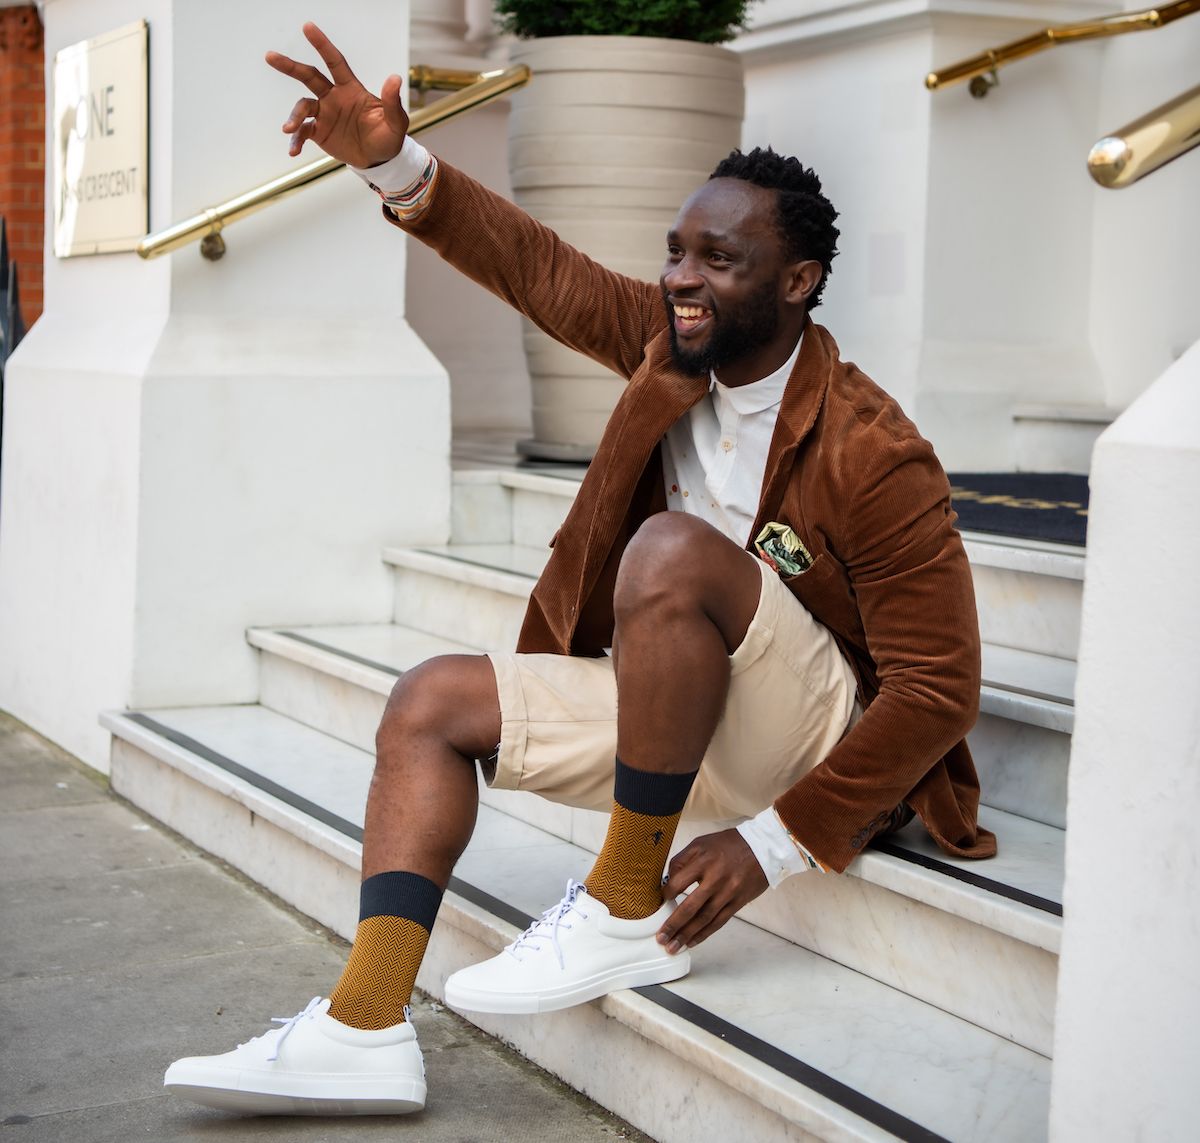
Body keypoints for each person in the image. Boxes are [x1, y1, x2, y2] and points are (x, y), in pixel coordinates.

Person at [163, 22, 996, 1117]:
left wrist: (776, 842)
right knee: (429, 705)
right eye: (676, 250)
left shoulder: (873, 449)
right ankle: (362, 1027)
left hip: (816, 738)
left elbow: (939, 689)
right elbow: (537, 269)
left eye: (718, 261)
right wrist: (388, 163)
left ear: (799, 282)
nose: (681, 280)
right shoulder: (669, 341)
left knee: (671, 553)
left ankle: (617, 905)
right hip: (688, 714)